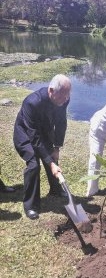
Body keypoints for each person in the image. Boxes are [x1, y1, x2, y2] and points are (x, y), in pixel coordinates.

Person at [13, 74, 71, 220]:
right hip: (25, 134)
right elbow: (34, 137)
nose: (65, 99)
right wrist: (50, 162)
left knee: (52, 158)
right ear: (51, 90)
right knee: (33, 165)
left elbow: (61, 123)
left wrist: (57, 147)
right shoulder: (32, 102)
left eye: (67, 95)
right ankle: (30, 205)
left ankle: (56, 190)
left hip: (45, 132)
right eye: (62, 96)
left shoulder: (63, 99)